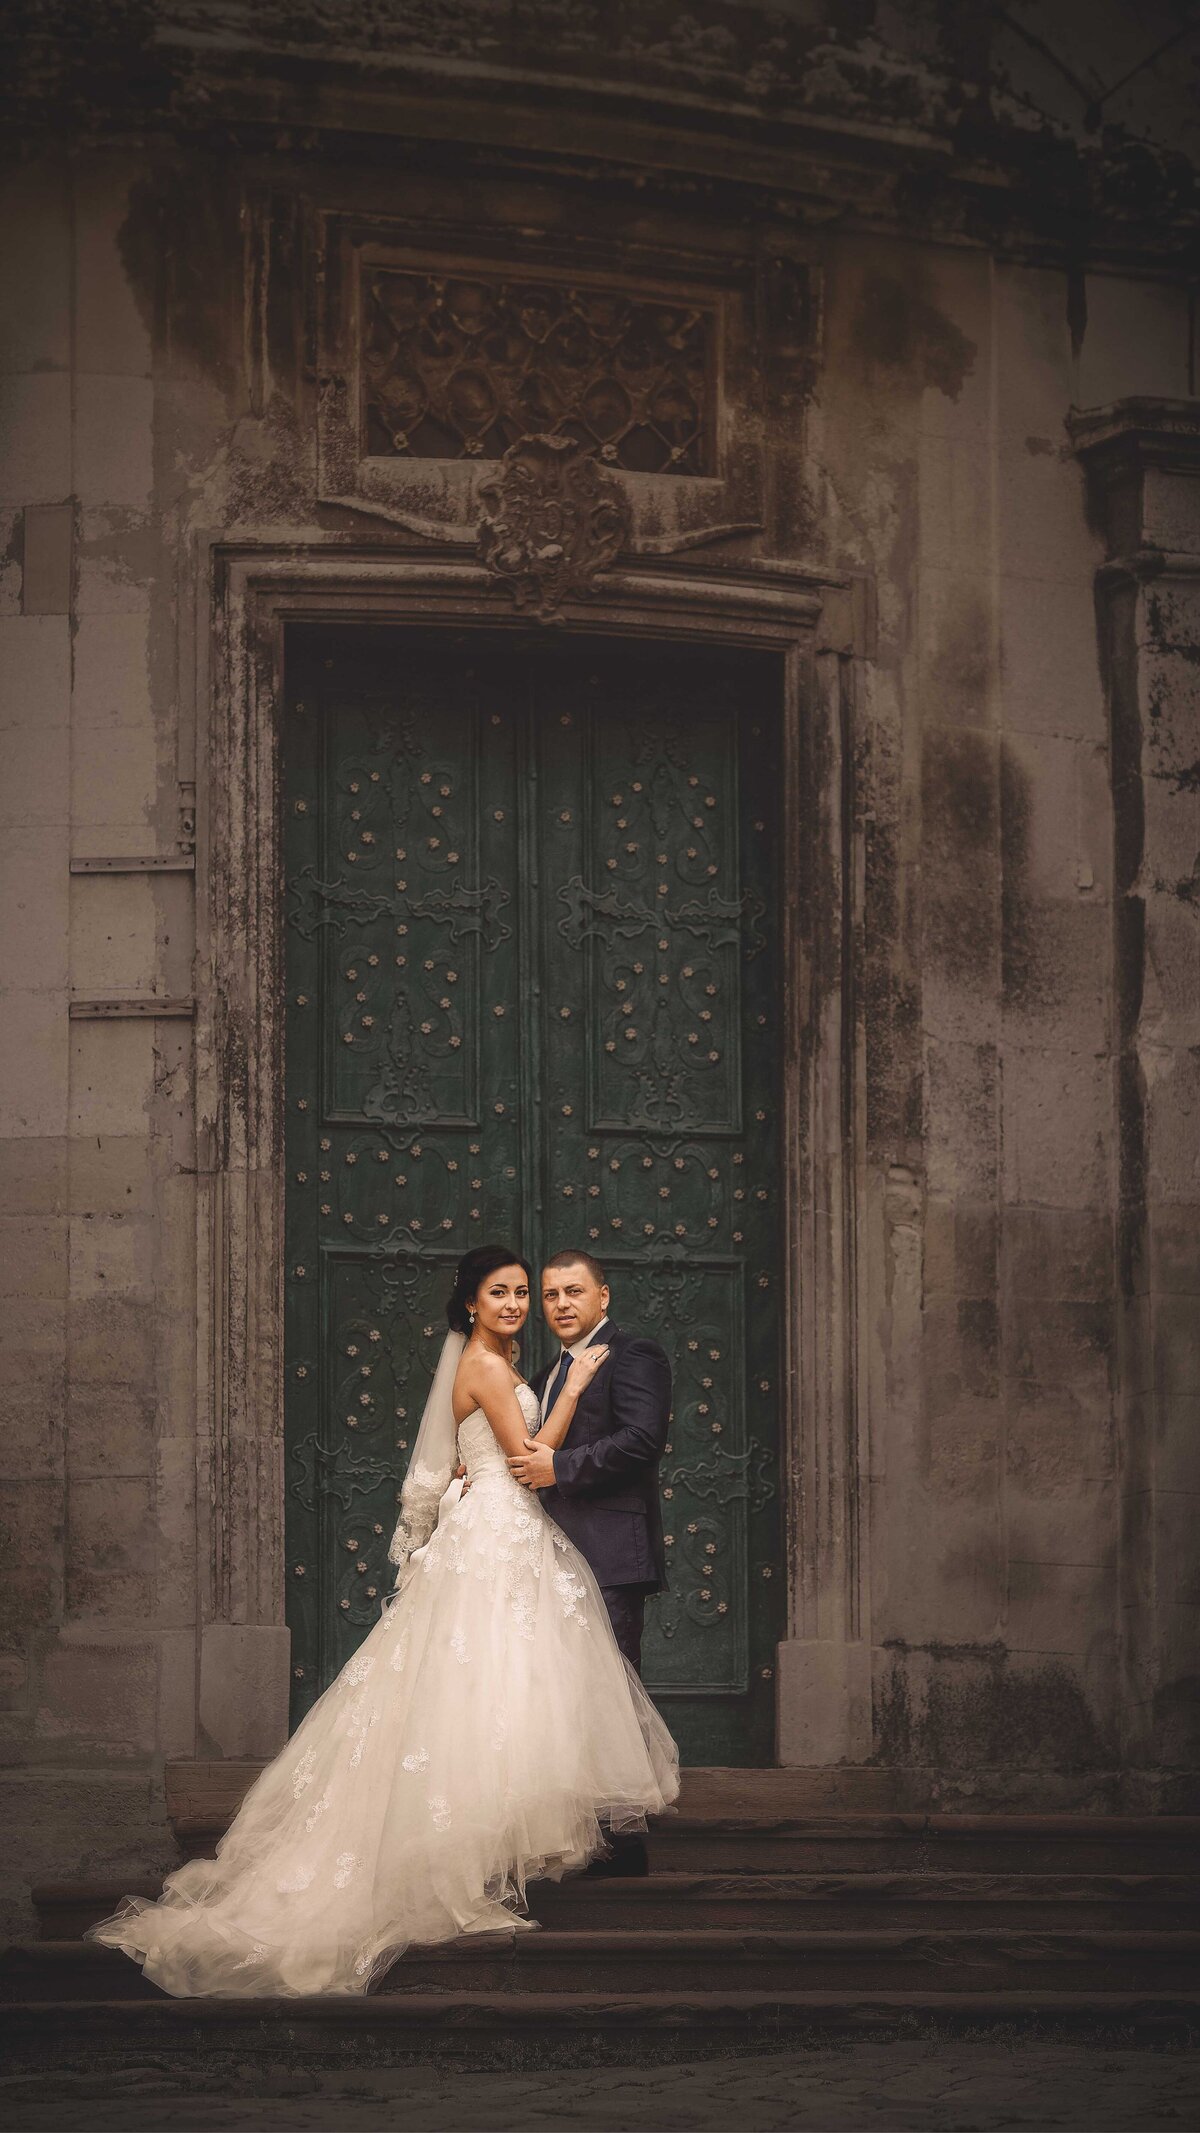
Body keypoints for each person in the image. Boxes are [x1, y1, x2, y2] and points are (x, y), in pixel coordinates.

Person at [86, 1244, 678, 1998]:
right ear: (470, 1302)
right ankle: (469, 1864)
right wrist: (565, 1401)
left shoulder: (536, 1360)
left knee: (495, 1694)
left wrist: (509, 1446)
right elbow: (533, 1452)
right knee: (483, 1694)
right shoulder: (495, 1367)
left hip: (511, 1528)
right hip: (503, 1532)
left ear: (597, 1295)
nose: (524, 1304)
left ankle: (540, 1851)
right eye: (506, 1292)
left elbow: (555, 1447)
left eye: (529, 1293)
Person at [509, 1250, 672, 1874]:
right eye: (550, 1296)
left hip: (607, 1551)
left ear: (604, 1296)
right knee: (566, 1691)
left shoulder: (634, 1355)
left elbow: (642, 1439)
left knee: (613, 1686)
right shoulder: (553, 1368)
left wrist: (561, 1468)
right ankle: (585, 1833)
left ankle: (625, 1839)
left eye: (574, 1292)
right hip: (550, 1550)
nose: (561, 1305)